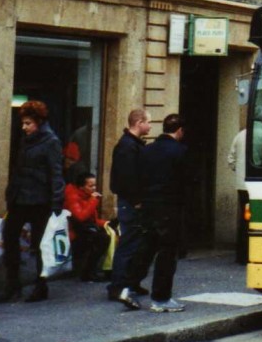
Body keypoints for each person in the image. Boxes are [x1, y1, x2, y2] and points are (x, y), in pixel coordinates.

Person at [119, 114, 193, 312]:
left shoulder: (146, 150)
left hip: (148, 207)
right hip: (169, 208)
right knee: (167, 254)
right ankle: (161, 298)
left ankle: (127, 287)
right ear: (180, 131)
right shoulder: (180, 151)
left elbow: (137, 178)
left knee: (145, 248)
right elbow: (186, 183)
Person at [0, 100, 63, 304]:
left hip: (40, 200)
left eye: (28, 123)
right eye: (23, 123)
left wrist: (57, 203)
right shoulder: (26, 140)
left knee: (41, 244)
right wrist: (10, 194)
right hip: (19, 199)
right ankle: (12, 285)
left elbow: (56, 173)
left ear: (39, 122)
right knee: (9, 237)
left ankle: (41, 286)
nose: (24, 128)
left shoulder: (51, 141)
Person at [107, 108, 152, 302]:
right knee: (128, 244)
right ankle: (117, 286)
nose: (150, 126)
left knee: (136, 244)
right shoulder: (128, 146)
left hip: (133, 202)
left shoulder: (132, 145)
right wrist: (137, 201)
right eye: (148, 122)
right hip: (132, 203)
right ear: (139, 122)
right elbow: (127, 179)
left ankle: (130, 282)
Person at [64, 172, 110, 282]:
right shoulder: (73, 197)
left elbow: (91, 220)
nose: (94, 188)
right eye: (91, 186)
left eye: (94, 185)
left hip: (83, 229)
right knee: (102, 239)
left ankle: (98, 270)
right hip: (73, 232)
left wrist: (105, 223)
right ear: (81, 187)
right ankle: (88, 272)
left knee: (107, 234)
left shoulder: (87, 196)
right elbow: (81, 216)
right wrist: (93, 200)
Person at [226, 124, 248, 265]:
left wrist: (239, 171)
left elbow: (231, 159)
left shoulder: (240, 135)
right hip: (260, 184)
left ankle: (241, 254)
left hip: (242, 185)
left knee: (244, 219)